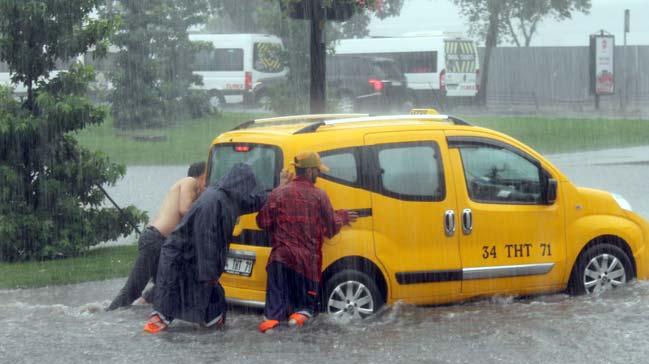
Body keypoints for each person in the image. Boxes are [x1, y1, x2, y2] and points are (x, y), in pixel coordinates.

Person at [143, 163, 290, 333]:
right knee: (167, 304)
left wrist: (280, 188)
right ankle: (157, 329)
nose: (250, 190)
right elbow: (206, 238)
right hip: (181, 259)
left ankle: (208, 329)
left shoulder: (231, 198)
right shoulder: (213, 202)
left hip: (196, 260)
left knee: (211, 302)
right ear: (241, 184)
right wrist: (210, 273)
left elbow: (256, 201)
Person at [256, 151, 358, 333]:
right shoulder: (319, 195)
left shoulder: (278, 193)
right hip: (305, 264)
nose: (318, 174)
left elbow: (262, 222)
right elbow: (332, 228)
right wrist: (341, 216)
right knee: (303, 310)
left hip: (279, 260)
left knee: (272, 317)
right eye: (317, 171)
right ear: (310, 171)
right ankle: (299, 329)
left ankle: (271, 340)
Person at [107, 161, 207, 311]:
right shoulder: (189, 181)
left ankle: (143, 304)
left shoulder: (191, 188)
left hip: (160, 242)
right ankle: (106, 314)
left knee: (171, 281)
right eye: (208, 175)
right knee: (133, 288)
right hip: (155, 239)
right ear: (200, 176)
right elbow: (185, 209)